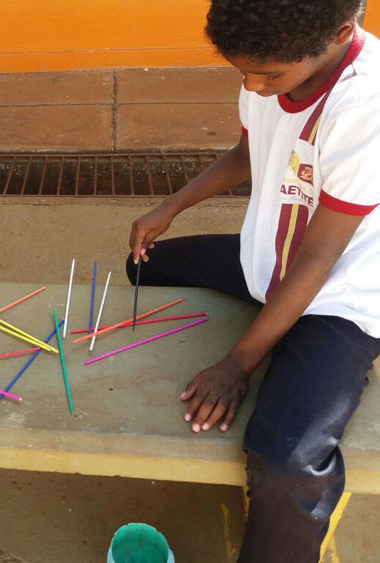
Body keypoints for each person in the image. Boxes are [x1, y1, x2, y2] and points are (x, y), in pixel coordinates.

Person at [127, 1, 380, 561]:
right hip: (267, 262)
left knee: (286, 463)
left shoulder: (367, 105)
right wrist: (171, 207)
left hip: (339, 292)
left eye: (268, 74)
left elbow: (318, 261)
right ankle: (276, 333)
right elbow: (249, 152)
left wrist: (238, 363)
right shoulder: (273, 63)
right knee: (142, 266)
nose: (255, 87)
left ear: (340, 35)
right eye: (242, 72)